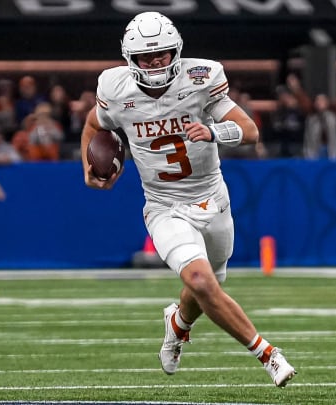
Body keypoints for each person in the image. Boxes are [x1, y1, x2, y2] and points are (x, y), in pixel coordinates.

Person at [80, 12, 296, 387]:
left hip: (212, 199)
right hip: (163, 206)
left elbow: (250, 131)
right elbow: (93, 124)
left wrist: (212, 132)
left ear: (176, 51)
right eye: (146, 57)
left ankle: (177, 323)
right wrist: (89, 166)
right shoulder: (115, 88)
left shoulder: (201, 77)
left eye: (162, 54)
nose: (155, 62)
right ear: (130, 59)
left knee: (207, 285)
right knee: (200, 279)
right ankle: (267, 354)